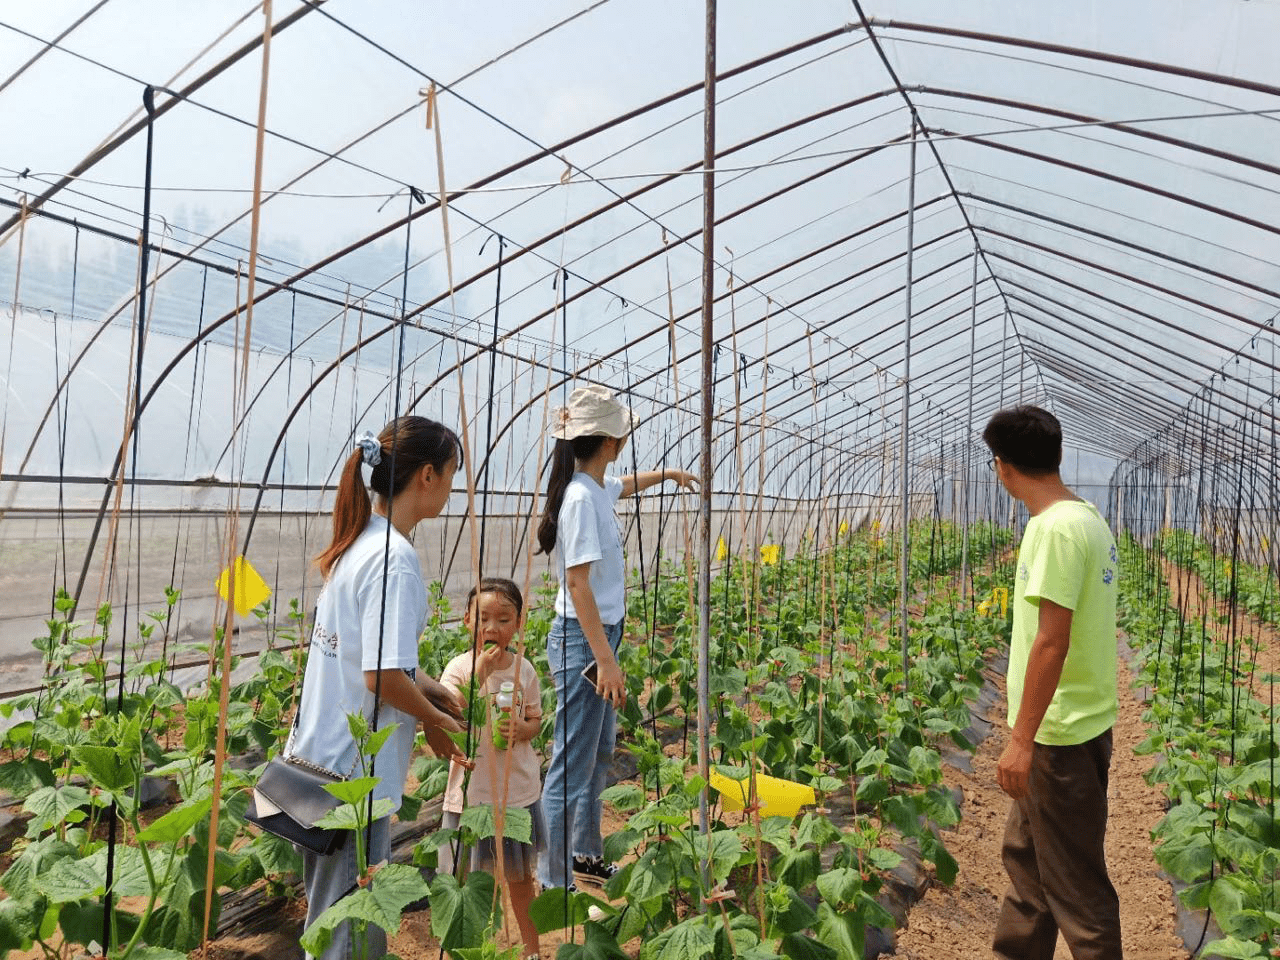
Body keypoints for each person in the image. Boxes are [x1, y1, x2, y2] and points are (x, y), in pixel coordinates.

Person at [291, 417, 472, 960]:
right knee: (348, 935)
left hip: (316, 762)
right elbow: (381, 677)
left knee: (330, 922)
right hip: (351, 781)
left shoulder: (362, 540)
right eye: (451, 475)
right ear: (426, 476)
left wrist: (430, 688)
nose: (451, 487)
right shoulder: (396, 560)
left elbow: (370, 659)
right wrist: (437, 723)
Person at [534, 385, 697, 891]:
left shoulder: (596, 485)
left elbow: (627, 484)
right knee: (571, 763)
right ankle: (555, 879)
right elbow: (577, 583)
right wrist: (605, 660)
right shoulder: (581, 498)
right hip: (585, 643)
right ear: (609, 439)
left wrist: (669, 475)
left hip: (597, 639)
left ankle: (583, 862)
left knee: (598, 754)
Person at [984, 405, 1122, 960]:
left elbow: (1052, 641)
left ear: (1004, 466)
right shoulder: (1086, 518)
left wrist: (1020, 739)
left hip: (1057, 737)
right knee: (1029, 869)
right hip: (1069, 727)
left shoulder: (1055, 530)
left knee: (1077, 892)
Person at [439, 578, 545, 959]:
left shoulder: (524, 670)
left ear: (518, 624)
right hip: (471, 796)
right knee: (467, 884)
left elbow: (535, 719)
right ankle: (467, 951)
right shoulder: (458, 669)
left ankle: (531, 951)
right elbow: (447, 716)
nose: (492, 628)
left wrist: (524, 730)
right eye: (483, 617)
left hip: (515, 792)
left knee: (519, 880)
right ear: (467, 620)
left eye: (504, 619)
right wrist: (478, 675)